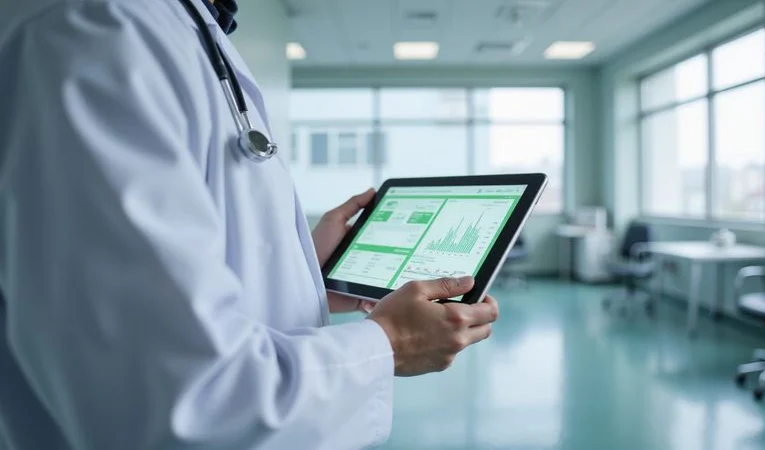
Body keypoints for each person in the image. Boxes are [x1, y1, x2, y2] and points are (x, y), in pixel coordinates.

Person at [0, 0, 500, 448]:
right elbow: (181, 403)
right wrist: (389, 343)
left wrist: (303, 275)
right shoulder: (99, 28)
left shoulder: (185, 25)